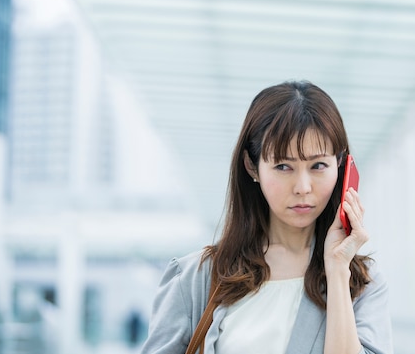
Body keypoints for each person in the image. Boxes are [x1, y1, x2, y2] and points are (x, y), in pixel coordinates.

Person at [141, 80, 393, 354]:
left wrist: (336, 269)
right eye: (283, 166)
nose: (303, 187)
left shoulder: (360, 284)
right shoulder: (195, 279)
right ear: (252, 167)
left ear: (342, 166)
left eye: (318, 165)